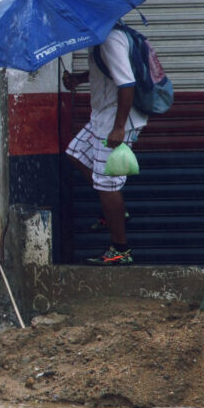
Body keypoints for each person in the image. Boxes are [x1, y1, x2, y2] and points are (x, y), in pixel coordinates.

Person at [62, 24, 147, 265]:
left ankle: (121, 250)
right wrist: (79, 78)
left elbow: (127, 83)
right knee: (75, 153)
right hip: (101, 116)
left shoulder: (110, 38)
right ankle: (117, 211)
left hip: (115, 119)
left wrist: (119, 127)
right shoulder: (99, 38)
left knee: (107, 185)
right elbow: (107, 70)